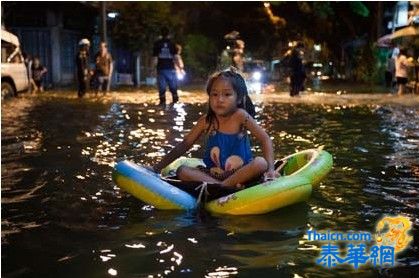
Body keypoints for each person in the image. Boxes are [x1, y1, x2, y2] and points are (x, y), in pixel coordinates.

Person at [151, 67, 277, 189]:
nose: (220, 99)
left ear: (238, 99)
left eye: (227, 94)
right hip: (213, 174)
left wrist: (271, 170)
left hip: (241, 174)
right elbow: (184, 145)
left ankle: (222, 186)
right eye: (214, 94)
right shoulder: (206, 121)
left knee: (261, 163)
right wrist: (156, 168)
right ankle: (223, 186)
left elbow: (265, 139)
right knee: (182, 170)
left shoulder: (241, 116)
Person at [153, 26, 178, 106]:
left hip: (161, 69)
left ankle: (162, 104)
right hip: (170, 69)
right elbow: (175, 57)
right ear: (169, 34)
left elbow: (155, 58)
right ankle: (175, 103)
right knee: (173, 88)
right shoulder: (172, 43)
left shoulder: (157, 44)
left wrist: (153, 69)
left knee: (162, 88)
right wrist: (179, 68)